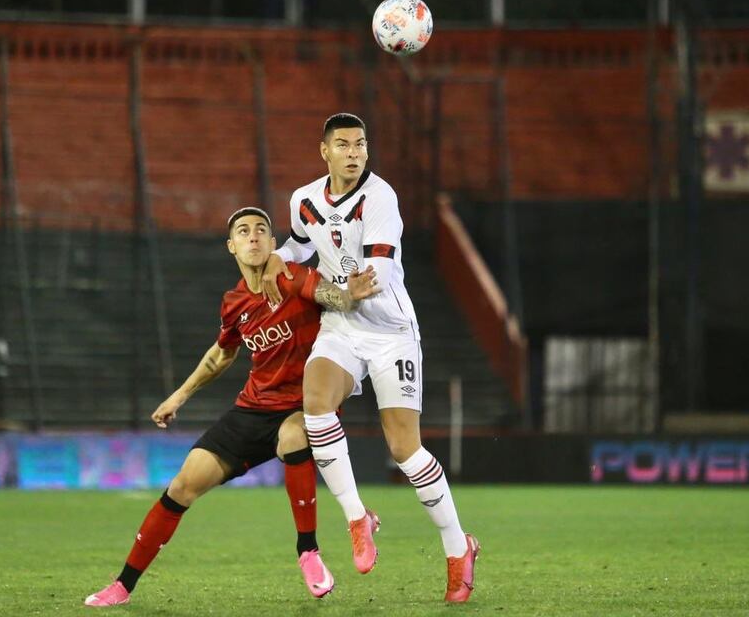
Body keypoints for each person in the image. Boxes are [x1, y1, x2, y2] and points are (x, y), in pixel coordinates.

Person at [84, 206, 380, 607]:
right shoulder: (234, 303)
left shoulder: (292, 277)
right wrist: (179, 396)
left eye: (261, 230)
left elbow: (330, 296)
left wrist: (348, 295)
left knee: (294, 436)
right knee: (182, 486)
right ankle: (122, 586)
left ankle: (307, 552)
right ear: (232, 246)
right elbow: (221, 355)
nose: (254, 236)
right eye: (244, 231)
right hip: (252, 410)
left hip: (303, 405)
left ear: (274, 243)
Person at [261, 113, 480, 603]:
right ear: (325, 151)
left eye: (361, 144)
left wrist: (337, 288)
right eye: (344, 144)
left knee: (405, 450)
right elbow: (299, 245)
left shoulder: (381, 197)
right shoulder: (304, 199)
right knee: (315, 402)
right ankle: (358, 518)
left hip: (389, 330)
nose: (355, 152)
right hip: (341, 325)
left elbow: (377, 269)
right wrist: (278, 259)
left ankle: (457, 546)